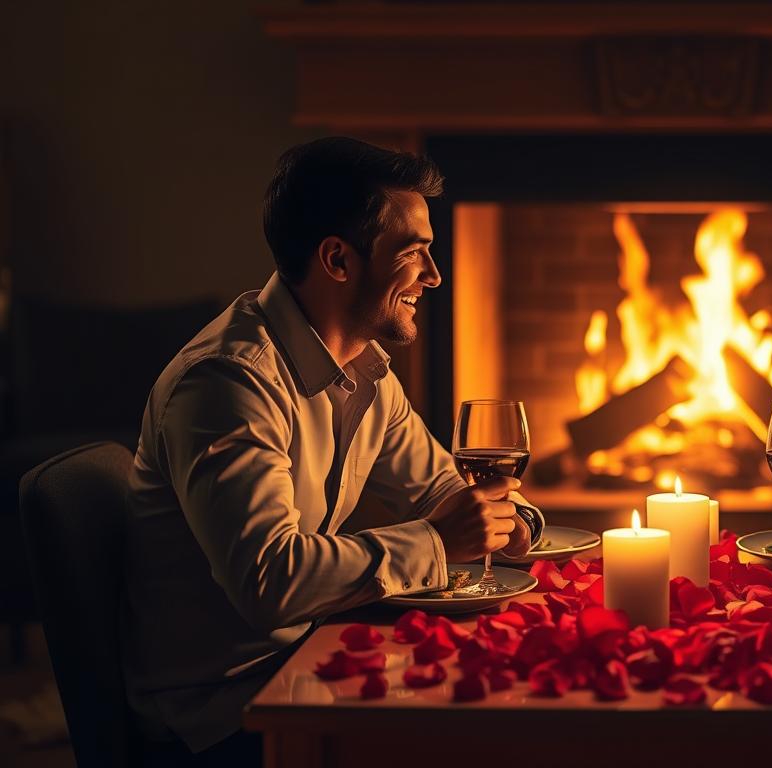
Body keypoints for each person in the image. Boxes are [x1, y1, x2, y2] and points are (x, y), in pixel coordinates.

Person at [123, 137, 543, 763]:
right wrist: (438, 540)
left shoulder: (366, 372)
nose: (434, 277)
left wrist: (511, 524)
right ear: (338, 261)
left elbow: (444, 495)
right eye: (415, 255)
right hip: (228, 718)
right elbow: (270, 582)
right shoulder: (227, 382)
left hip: (308, 664)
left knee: (510, 708)